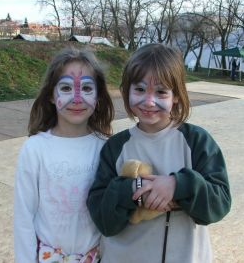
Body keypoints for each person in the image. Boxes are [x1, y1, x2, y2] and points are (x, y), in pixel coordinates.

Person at [87, 43, 231, 263]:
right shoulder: (115, 147)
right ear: (127, 91)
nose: (149, 101)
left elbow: (218, 205)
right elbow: (104, 221)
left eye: (161, 91)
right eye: (140, 89)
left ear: (176, 96)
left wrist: (178, 185)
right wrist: (134, 191)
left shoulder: (196, 141)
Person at [14, 47, 114, 263]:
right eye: (66, 88)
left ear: (98, 96)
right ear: (51, 94)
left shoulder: (106, 148)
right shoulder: (35, 149)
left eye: (87, 88)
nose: (76, 99)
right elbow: (24, 218)